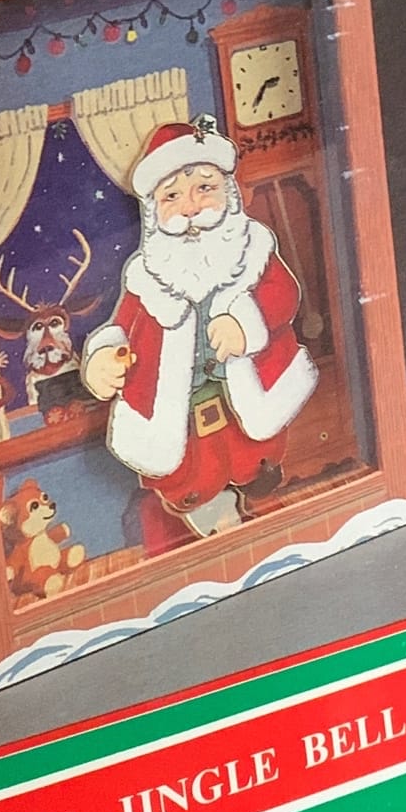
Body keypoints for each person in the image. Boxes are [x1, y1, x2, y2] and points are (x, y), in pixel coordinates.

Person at [82, 115, 316, 543]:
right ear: (154, 211)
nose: (190, 207)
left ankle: (258, 479)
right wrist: (103, 359)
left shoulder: (252, 249)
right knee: (192, 460)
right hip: (182, 403)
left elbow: (283, 293)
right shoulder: (148, 277)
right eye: (172, 196)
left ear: (228, 192)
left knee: (251, 443)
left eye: (204, 188)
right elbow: (122, 327)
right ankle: (201, 501)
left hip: (246, 384)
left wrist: (246, 324)